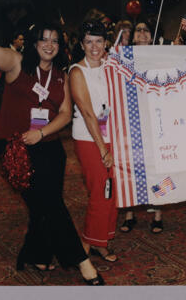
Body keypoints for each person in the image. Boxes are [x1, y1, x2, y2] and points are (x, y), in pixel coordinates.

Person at [0, 23, 104, 285]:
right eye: (44, 39)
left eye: (55, 41)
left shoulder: (60, 75)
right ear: (34, 43)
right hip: (14, 145)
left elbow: (66, 114)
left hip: (49, 144)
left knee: (43, 205)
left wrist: (41, 134)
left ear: (60, 46)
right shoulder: (16, 62)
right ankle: (81, 260)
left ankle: (36, 253)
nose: (49, 45)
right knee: (50, 205)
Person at [69, 21, 119, 262]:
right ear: (81, 45)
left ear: (106, 43)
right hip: (89, 139)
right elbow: (88, 113)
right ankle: (85, 245)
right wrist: (102, 149)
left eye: (99, 41)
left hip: (112, 135)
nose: (94, 46)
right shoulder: (77, 71)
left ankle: (102, 240)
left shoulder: (112, 66)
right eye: (89, 41)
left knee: (113, 191)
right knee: (100, 190)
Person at [118, 19, 164, 234]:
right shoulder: (123, 58)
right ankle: (130, 214)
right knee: (130, 168)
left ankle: (158, 215)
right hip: (131, 119)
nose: (143, 33)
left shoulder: (159, 57)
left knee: (159, 168)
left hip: (156, 119)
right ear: (132, 35)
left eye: (147, 30)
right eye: (139, 30)